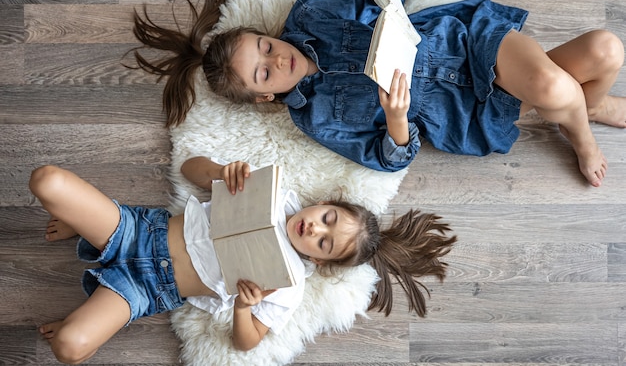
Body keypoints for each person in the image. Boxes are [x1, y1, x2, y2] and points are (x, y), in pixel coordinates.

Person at [128, 0, 626, 188]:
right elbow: (388, 159)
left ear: (268, 33)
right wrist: (395, 118)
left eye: (265, 46)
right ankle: (587, 118)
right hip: (462, 109)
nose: (278, 59)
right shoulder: (316, 119)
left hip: (466, 44)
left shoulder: (310, 16)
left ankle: (579, 121)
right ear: (264, 98)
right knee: (599, 57)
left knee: (588, 59)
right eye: (263, 72)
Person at [31, 157, 456, 364]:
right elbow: (189, 167)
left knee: (70, 347)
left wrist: (244, 307)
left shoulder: (289, 284)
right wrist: (220, 171)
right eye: (327, 219)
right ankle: (85, 226)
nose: (316, 230)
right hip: (139, 231)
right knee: (47, 180)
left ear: (322, 263)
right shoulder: (271, 193)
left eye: (325, 243)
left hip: (149, 288)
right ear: (323, 203)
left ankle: (81, 299)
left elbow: (246, 342)